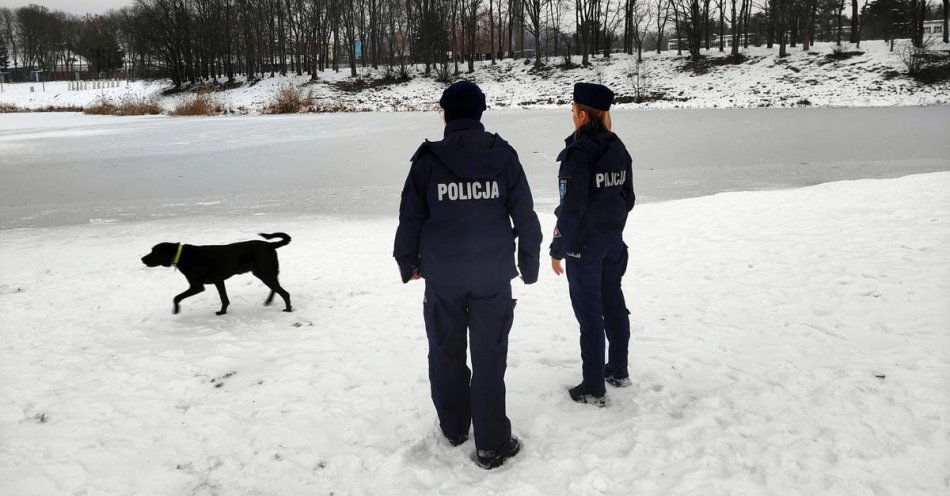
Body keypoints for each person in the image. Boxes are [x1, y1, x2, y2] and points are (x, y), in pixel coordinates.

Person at [393, 80, 542, 469]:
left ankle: (456, 427)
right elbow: (525, 216)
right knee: (489, 357)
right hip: (491, 276)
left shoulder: (428, 160)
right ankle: (492, 443)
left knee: (445, 350)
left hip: (444, 277)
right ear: (480, 113)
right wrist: (528, 264)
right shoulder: (503, 156)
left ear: (446, 115)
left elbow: (410, 217)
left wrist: (406, 262)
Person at [550, 82, 635, 407]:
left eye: (573, 111)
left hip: (585, 248)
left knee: (590, 315)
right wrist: (611, 228)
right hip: (613, 242)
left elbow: (572, 207)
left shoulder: (579, 153)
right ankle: (617, 370)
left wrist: (558, 250)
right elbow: (628, 197)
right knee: (613, 304)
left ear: (583, 115)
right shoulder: (618, 148)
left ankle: (594, 387)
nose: (572, 116)